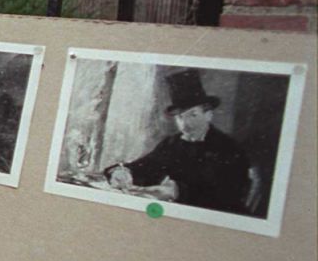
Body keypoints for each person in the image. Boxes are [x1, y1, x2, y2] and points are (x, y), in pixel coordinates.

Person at [105, 69, 251, 214]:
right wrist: (126, 172)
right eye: (180, 117)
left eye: (193, 115)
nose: (185, 124)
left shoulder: (228, 147)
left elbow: (227, 195)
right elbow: (148, 166)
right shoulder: (172, 143)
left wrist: (178, 191)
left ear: (208, 115)